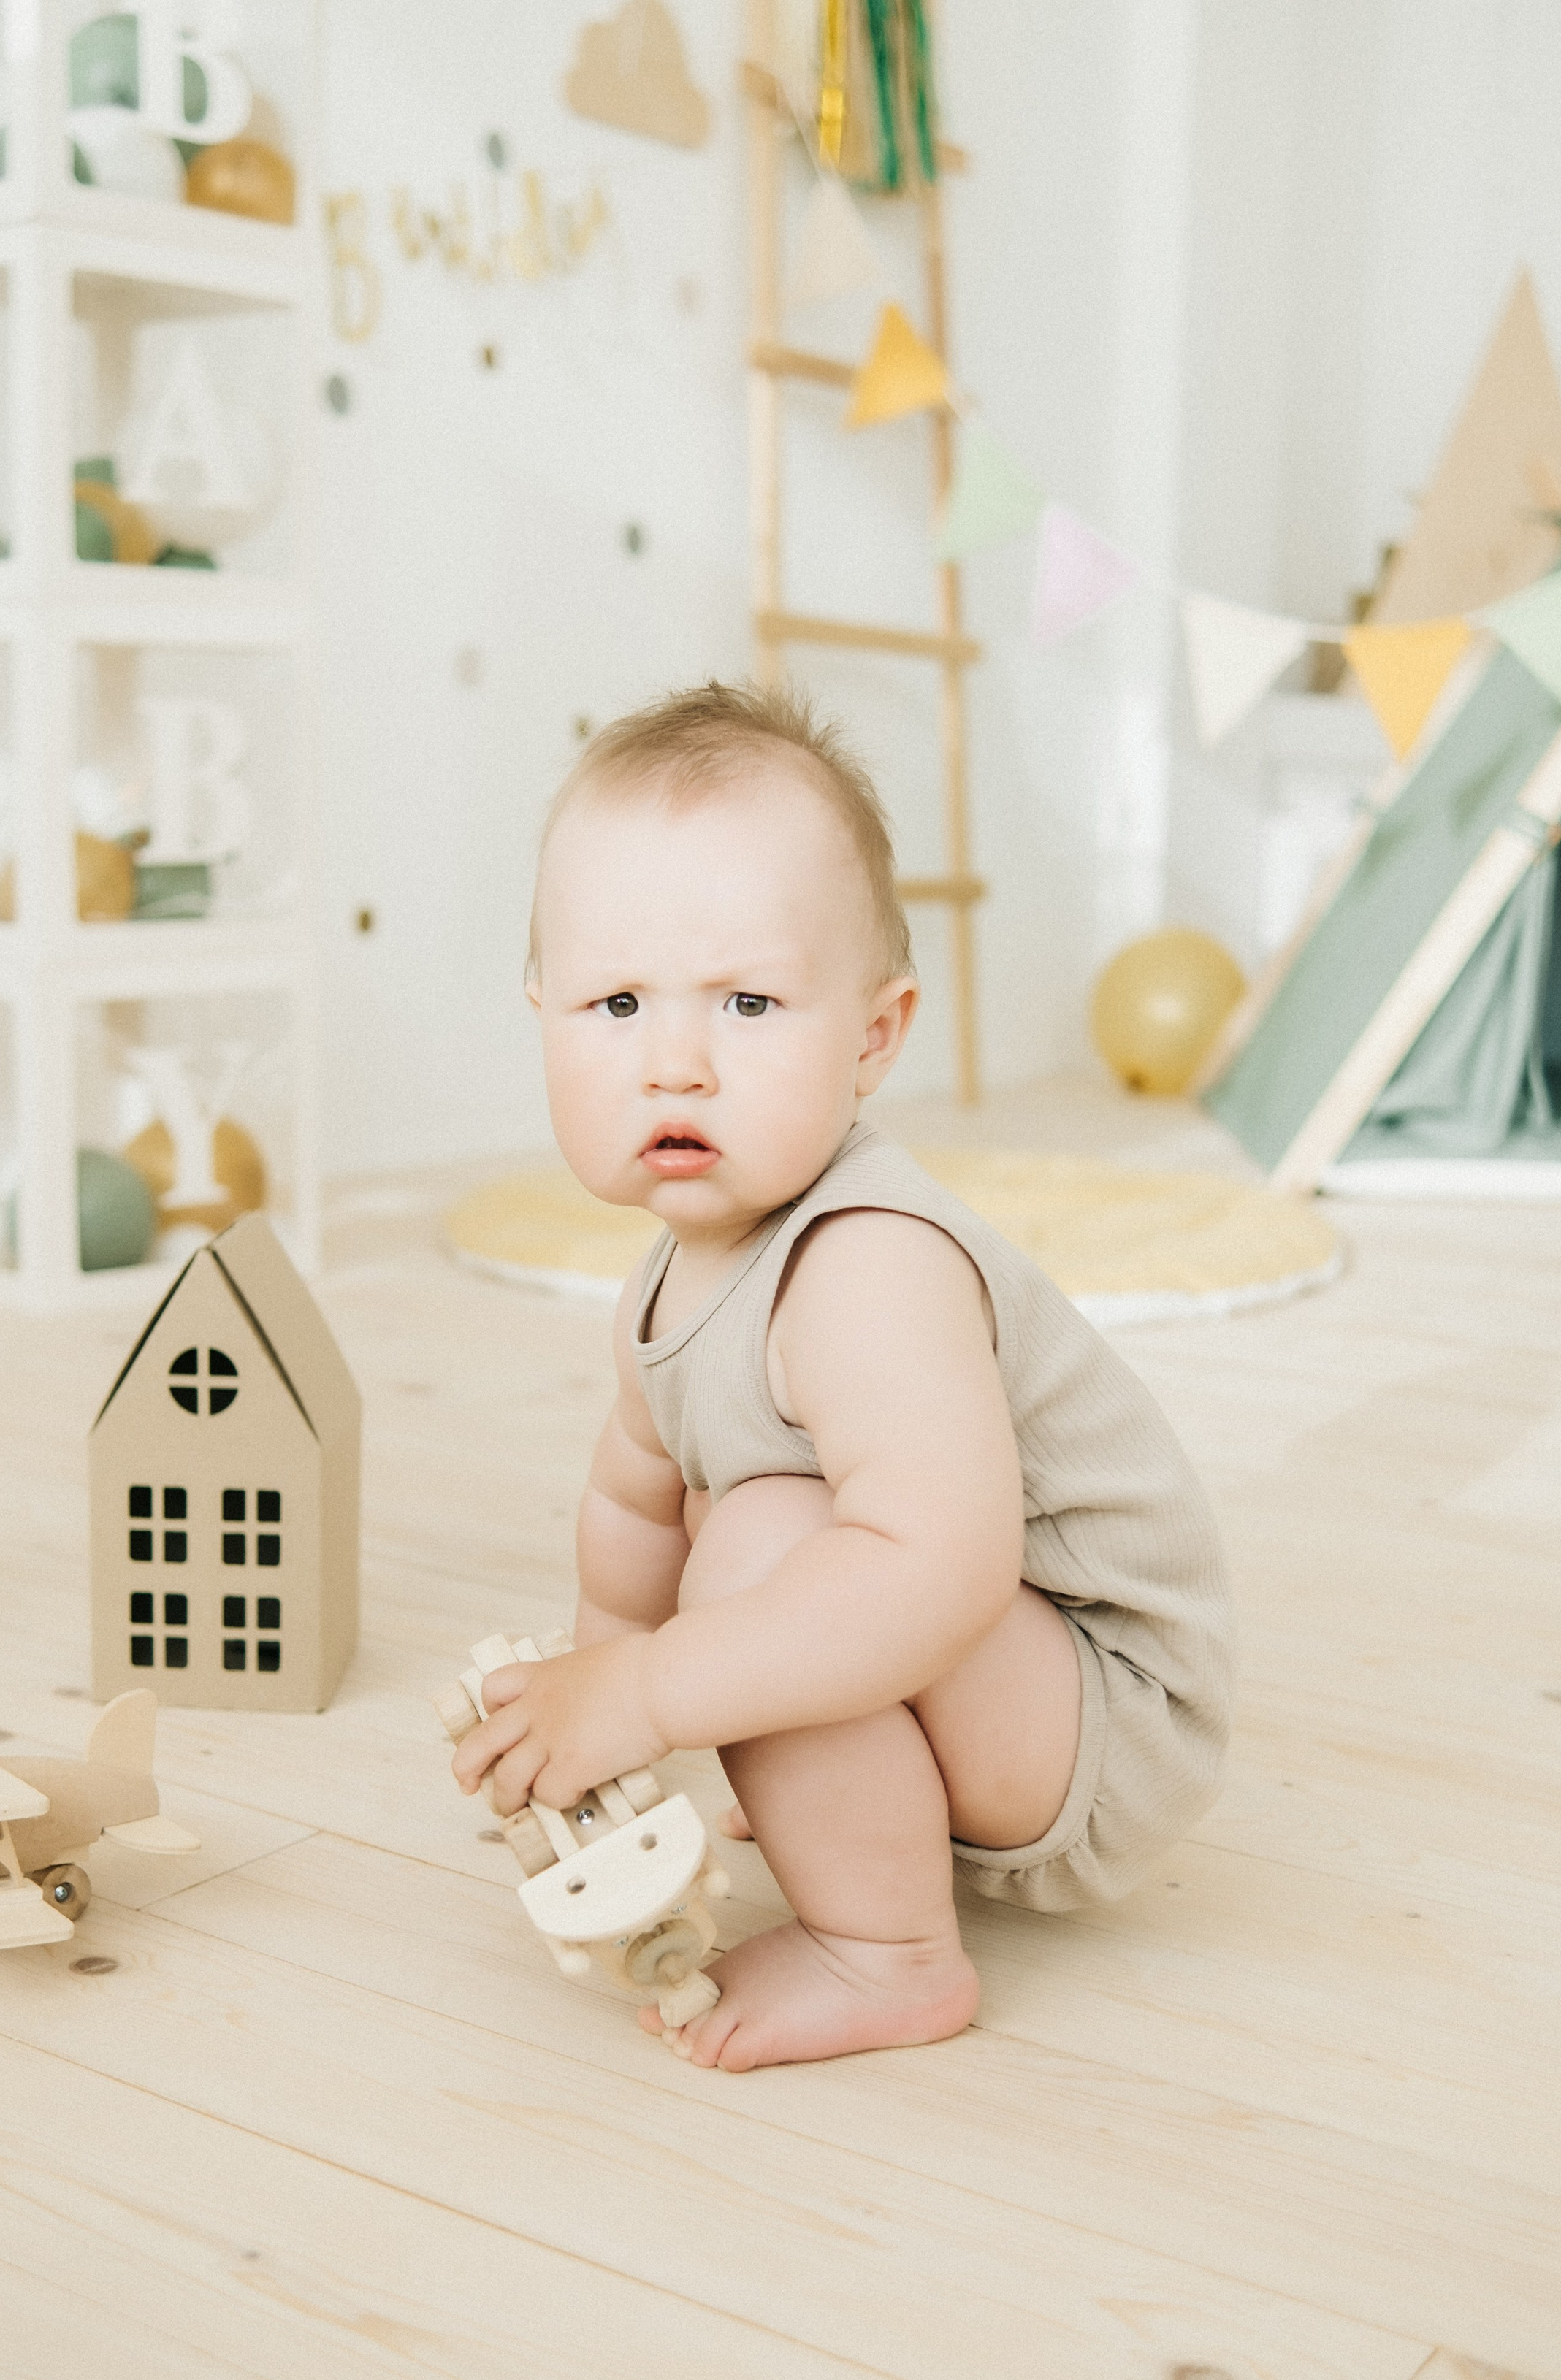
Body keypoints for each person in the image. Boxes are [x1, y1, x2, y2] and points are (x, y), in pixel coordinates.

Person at [451, 681, 1233, 2071]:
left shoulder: (868, 1261)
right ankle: (846, 1781)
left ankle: (890, 1955)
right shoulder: (663, 1280)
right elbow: (630, 1523)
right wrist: (602, 1732)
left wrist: (651, 1693)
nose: (674, 1061)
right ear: (542, 1014)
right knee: (715, 1529)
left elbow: (936, 1568)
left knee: (763, 1531)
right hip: (991, 1678)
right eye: (617, 1001)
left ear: (872, 1036)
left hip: (1100, 1713)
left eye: (749, 1001)